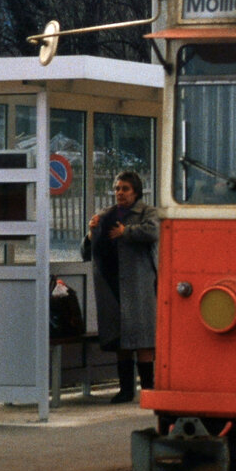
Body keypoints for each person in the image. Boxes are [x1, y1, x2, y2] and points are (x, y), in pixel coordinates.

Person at [84, 171, 159, 403]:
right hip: (112, 285)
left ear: (135, 191)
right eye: (117, 188)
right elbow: (86, 252)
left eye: (125, 188)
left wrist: (127, 232)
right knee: (121, 341)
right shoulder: (105, 215)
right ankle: (126, 389)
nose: (120, 193)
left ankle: (149, 389)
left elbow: (154, 231)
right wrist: (90, 233)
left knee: (143, 340)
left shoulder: (148, 212)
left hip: (139, 285)